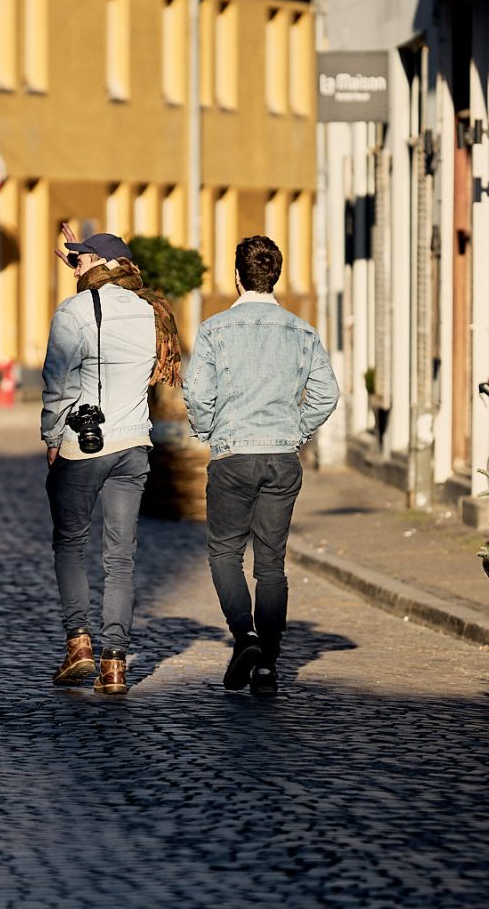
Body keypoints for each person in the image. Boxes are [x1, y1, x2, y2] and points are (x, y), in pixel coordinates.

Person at [183, 235, 339, 697]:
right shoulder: (303, 332)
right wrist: (296, 430)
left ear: (236, 277)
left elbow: (196, 394)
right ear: (275, 276)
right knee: (271, 565)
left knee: (225, 554)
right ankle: (267, 667)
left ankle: (244, 635)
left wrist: (212, 432)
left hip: (233, 455)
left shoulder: (215, 330)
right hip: (282, 457)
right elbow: (327, 394)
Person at [39, 224, 184, 696]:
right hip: (134, 446)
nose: (73, 262)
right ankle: (116, 664)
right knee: (121, 557)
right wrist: (86, 261)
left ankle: (79, 643)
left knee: (71, 544)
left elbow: (58, 383)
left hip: (84, 446)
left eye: (80, 258)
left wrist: (51, 436)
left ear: (99, 265)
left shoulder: (74, 311)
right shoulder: (152, 312)